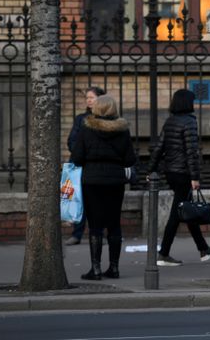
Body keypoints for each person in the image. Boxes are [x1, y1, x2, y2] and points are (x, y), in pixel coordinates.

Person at [70, 94, 136, 280]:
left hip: (93, 182)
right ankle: (114, 268)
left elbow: (76, 158)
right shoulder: (122, 130)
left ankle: (96, 269)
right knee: (114, 224)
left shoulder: (87, 129)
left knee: (95, 226)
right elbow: (130, 159)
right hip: (115, 182)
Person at [149, 89, 210, 266]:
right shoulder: (189, 122)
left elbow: (159, 147)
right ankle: (163, 253)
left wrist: (151, 169)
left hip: (171, 172)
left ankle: (203, 249)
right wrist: (195, 177)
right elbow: (191, 152)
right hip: (184, 173)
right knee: (177, 213)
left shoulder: (170, 121)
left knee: (185, 208)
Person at [65, 86, 106, 246]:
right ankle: (77, 233)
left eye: (92, 97)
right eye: (87, 97)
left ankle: (99, 232)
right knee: (78, 199)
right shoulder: (80, 119)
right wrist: (83, 154)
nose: (88, 100)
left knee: (98, 199)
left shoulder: (106, 119)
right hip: (80, 164)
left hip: (97, 166)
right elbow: (72, 141)